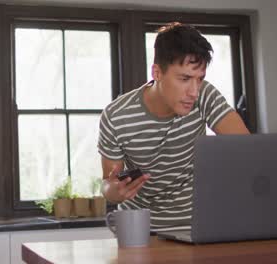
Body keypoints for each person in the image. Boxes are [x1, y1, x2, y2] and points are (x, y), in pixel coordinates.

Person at [98, 22, 250, 232]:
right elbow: (108, 184)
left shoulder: (205, 95)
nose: (194, 92)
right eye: (185, 78)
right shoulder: (116, 116)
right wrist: (114, 190)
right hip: (141, 229)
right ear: (157, 73)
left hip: (199, 226)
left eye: (200, 79)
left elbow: (247, 150)